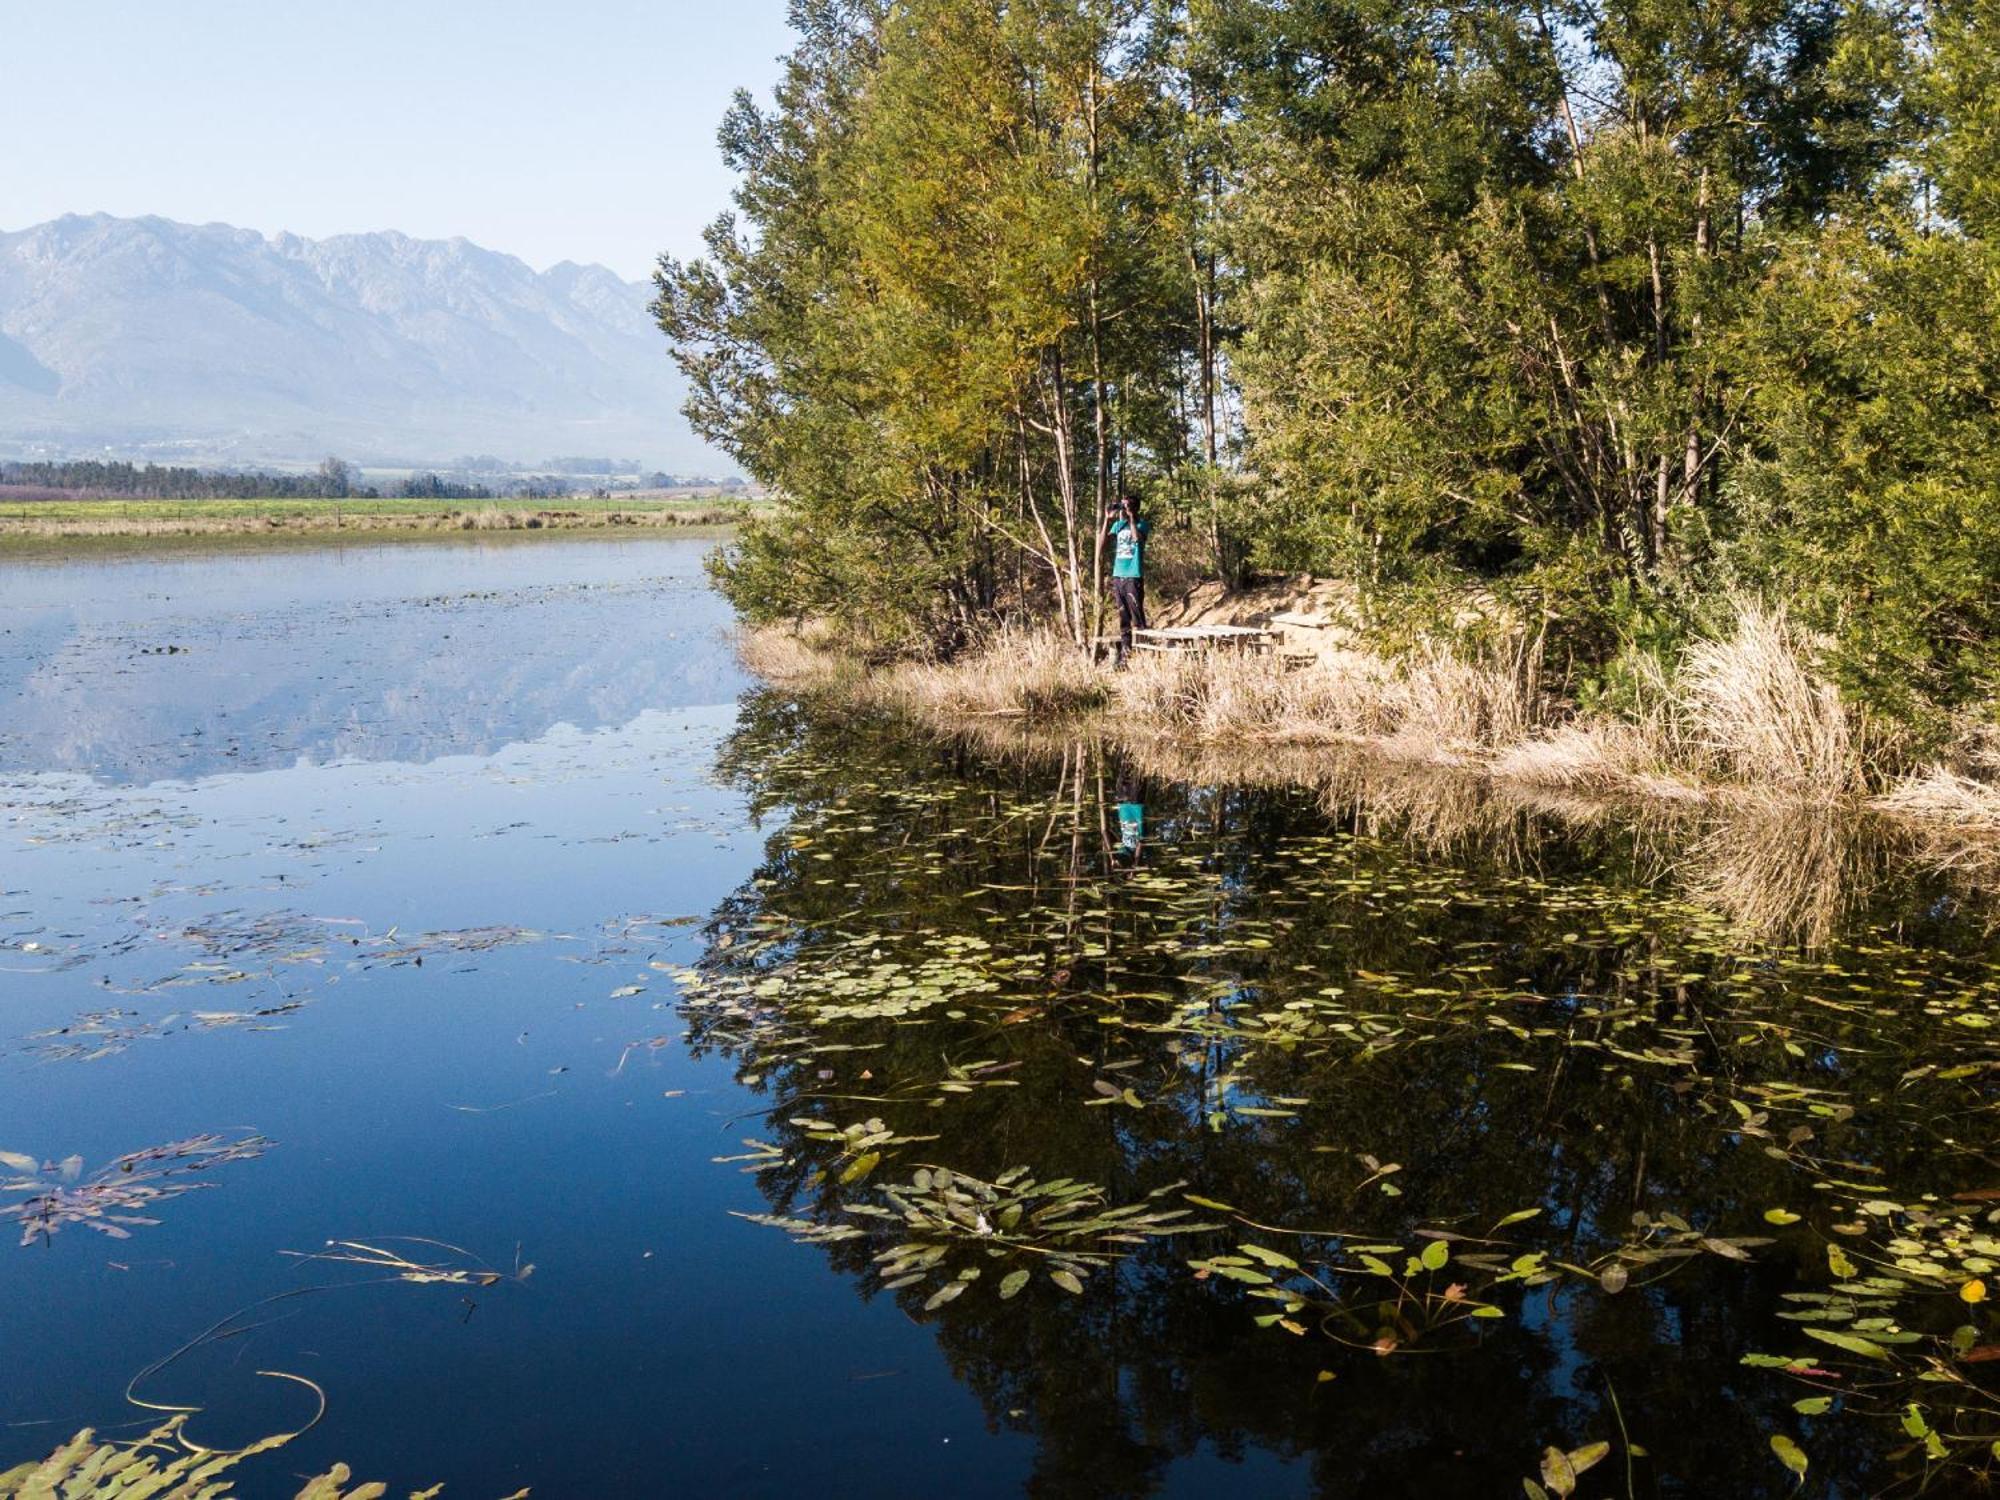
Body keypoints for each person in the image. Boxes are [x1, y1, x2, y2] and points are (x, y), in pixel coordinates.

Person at [1104, 493, 1150, 666]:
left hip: (1133, 576)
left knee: (1137, 618)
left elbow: (1138, 538)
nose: (1123, 509)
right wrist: (1107, 520)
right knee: (1123, 619)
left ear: (1135, 508)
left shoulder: (1141, 524)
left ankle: (1144, 655)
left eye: (1126, 506)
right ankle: (1125, 657)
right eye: (1122, 506)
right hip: (1118, 576)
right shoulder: (1118, 525)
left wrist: (1131, 517)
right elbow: (1102, 546)